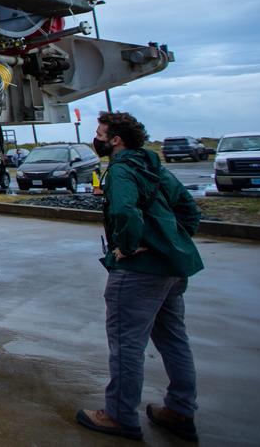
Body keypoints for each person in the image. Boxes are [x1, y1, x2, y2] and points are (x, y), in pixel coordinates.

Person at [76, 111, 203, 442]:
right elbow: (189, 209)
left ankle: (119, 416)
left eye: (100, 133)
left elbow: (123, 211)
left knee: (126, 343)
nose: (97, 138)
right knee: (175, 340)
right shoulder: (154, 166)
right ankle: (180, 410)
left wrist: (128, 247)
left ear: (115, 140)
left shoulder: (120, 170)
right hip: (172, 270)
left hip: (138, 273)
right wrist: (170, 242)